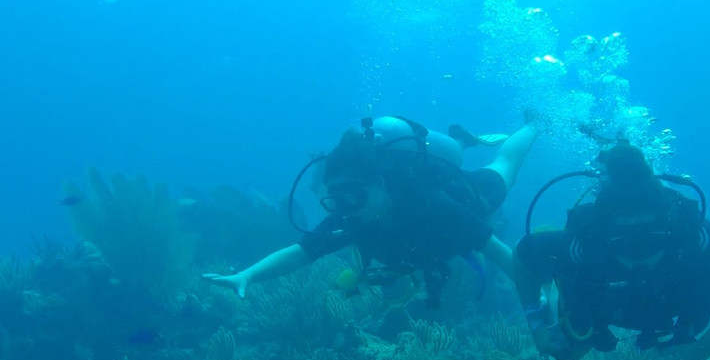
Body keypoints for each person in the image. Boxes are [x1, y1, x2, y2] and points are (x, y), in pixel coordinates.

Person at [203, 116, 537, 307]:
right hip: (424, 242)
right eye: (336, 197)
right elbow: (301, 252)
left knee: (506, 165)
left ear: (379, 183)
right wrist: (246, 275)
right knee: (480, 156)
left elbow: (502, 256)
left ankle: (534, 123)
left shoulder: (434, 205)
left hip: (469, 196)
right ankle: (460, 143)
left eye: (352, 195)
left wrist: (537, 310)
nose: (344, 207)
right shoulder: (354, 213)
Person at [514, 141, 710, 360]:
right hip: (601, 306)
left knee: (683, 354)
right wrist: (537, 323)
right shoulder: (587, 237)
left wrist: (699, 352)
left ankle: (683, 336)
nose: (639, 257)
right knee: (567, 354)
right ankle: (551, 298)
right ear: (605, 233)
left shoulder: (690, 233)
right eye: (626, 244)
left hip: (679, 308)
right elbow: (524, 254)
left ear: (668, 230)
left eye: (649, 241)